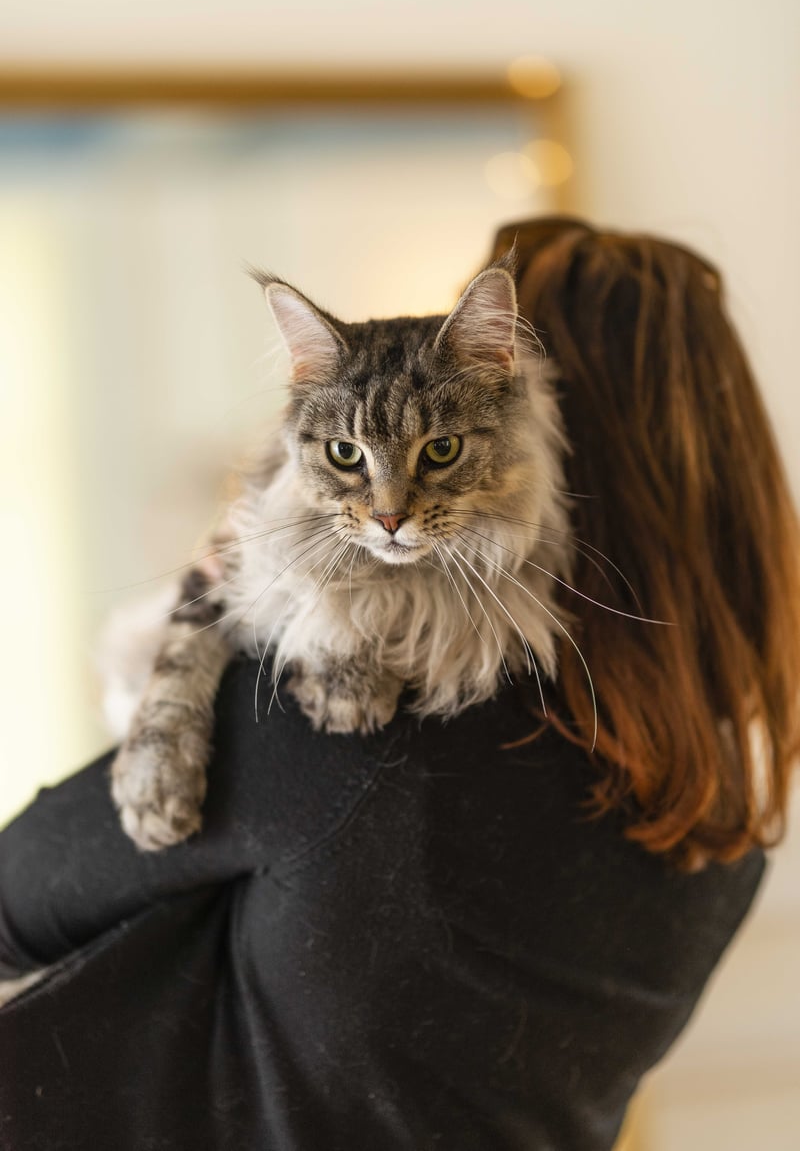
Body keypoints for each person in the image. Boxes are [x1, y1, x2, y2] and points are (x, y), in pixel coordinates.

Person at [1, 218, 798, 1151]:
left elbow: (16, 896)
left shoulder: (354, 739)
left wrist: (232, 618)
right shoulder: (719, 818)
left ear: (537, 420)